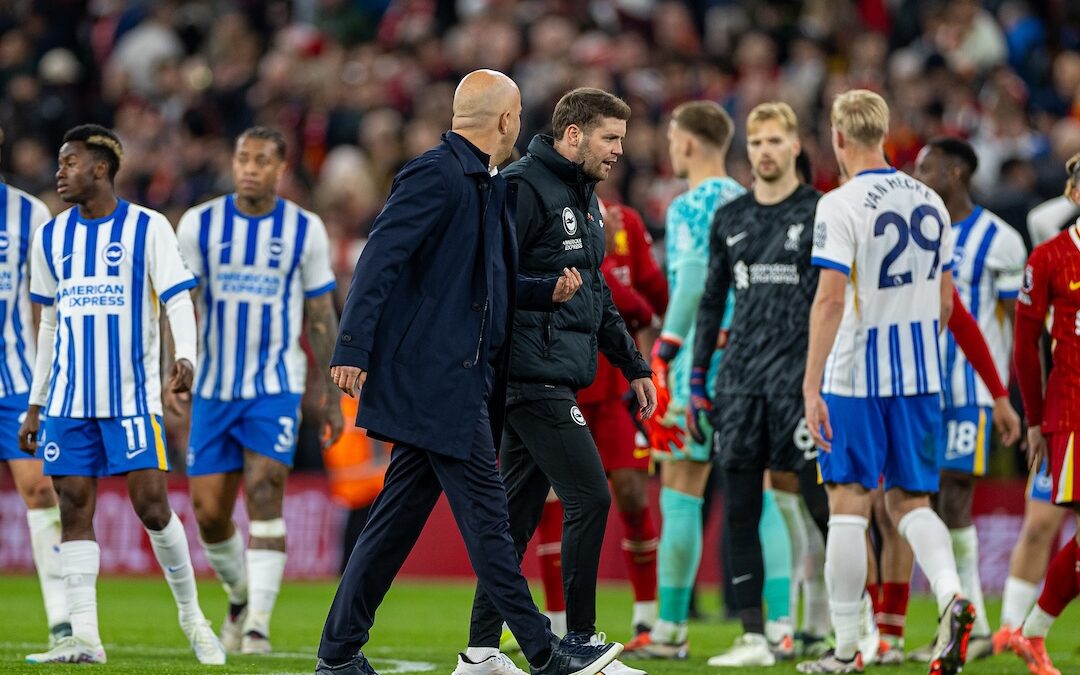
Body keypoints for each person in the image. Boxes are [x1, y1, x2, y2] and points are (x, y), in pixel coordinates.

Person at [315, 70, 623, 675]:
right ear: (506, 121)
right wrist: (351, 347)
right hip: (439, 383)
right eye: (518, 117)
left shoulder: (485, 184)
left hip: (465, 380)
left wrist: (543, 292)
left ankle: (337, 653)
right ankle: (542, 652)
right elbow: (379, 258)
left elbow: (490, 283)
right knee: (490, 523)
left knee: (393, 524)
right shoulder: (436, 174)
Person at [462, 87, 656, 675]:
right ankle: (579, 641)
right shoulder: (522, 187)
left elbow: (595, 293)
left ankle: (479, 653)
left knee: (517, 519)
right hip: (527, 374)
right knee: (590, 496)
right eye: (610, 138)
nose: (619, 151)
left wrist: (634, 364)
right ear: (574, 135)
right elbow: (489, 278)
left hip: (555, 374)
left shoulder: (584, 196)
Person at [18, 124, 225, 665]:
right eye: (60, 163)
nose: (60, 172)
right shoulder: (52, 236)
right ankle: (84, 637)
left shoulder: (148, 228)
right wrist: (37, 402)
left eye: (70, 163)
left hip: (131, 398)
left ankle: (193, 617)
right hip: (67, 399)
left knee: (152, 506)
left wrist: (187, 357)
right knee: (74, 507)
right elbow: (47, 324)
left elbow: (179, 298)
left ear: (101, 169)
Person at [799, 90, 971, 674]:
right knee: (911, 501)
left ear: (840, 138)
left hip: (856, 373)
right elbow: (947, 301)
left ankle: (846, 650)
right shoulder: (931, 201)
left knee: (848, 503)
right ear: (885, 133)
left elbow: (828, 300)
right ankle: (952, 594)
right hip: (920, 373)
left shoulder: (840, 203)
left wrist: (811, 383)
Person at [176, 126, 344, 654]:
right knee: (208, 514)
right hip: (213, 388)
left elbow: (321, 314)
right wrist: (172, 367)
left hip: (275, 384)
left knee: (267, 488)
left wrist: (333, 393)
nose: (249, 167)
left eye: (261, 160)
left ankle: (258, 627)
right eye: (242, 158)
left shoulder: (305, 230)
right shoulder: (200, 224)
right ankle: (240, 595)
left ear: (280, 169)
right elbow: (179, 306)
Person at [679, 102, 827, 667]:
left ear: (795, 146)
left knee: (823, 506)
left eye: (774, 141)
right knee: (739, 509)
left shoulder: (820, 213)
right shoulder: (731, 217)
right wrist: (697, 380)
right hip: (739, 385)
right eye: (756, 142)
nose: (764, 151)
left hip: (800, 385)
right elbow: (712, 301)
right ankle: (754, 636)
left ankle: (849, 623)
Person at [885, 136, 1025, 661]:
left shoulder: (1002, 240)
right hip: (918, 384)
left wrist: (1006, 396)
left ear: (957, 173)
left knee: (954, 493)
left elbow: (1019, 325)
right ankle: (967, 620)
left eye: (927, 168)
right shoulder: (918, 231)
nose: (918, 177)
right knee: (929, 496)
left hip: (969, 391)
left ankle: (973, 623)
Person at [527, 199, 667, 642]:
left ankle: (647, 620)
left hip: (611, 397)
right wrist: (634, 310)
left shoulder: (625, 221)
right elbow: (610, 293)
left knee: (630, 491)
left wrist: (648, 344)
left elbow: (656, 295)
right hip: (559, 388)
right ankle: (559, 625)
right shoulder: (551, 218)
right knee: (554, 502)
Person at [1009, 151, 1080, 675]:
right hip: (1072, 413)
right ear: (1073, 196)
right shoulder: (1050, 258)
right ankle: (1031, 632)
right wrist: (1033, 421)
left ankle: (1030, 633)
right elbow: (1024, 346)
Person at [0, 128, 70, 648]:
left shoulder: (31, 215)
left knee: (40, 488)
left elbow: (49, 302)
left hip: (15, 378)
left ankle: (62, 620)